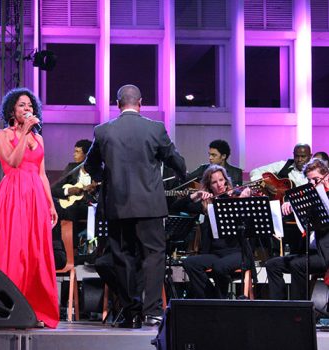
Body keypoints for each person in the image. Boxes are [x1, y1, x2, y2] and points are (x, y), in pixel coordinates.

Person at [84, 84, 186, 328]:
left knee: (122, 257)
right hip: (149, 204)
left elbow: (90, 166)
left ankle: (132, 314)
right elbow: (175, 161)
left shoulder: (103, 131)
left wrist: (106, 179)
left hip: (117, 206)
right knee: (153, 256)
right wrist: (180, 172)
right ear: (141, 102)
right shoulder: (155, 129)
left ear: (118, 104)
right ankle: (152, 312)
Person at [0, 87, 59, 329]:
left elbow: (42, 174)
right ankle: (6, 308)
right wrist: (22, 133)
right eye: (22, 105)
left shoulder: (39, 138)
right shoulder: (2, 134)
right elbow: (12, 161)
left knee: (35, 252)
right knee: (15, 248)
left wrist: (50, 204)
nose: (27, 109)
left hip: (35, 196)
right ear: (12, 110)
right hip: (13, 194)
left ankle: (35, 310)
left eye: (30, 105)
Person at [174, 165, 251, 299]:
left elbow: (256, 206)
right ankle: (213, 298)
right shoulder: (207, 204)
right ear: (209, 186)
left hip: (238, 253)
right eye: (214, 182)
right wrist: (196, 195)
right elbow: (176, 207)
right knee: (189, 263)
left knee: (219, 267)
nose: (219, 185)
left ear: (226, 181)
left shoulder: (236, 198)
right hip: (216, 254)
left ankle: (218, 302)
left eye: (221, 180)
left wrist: (247, 196)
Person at [266, 158, 329, 300]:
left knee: (297, 264)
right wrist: (289, 204)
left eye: (316, 179)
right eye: (310, 181)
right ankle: (279, 308)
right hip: (310, 252)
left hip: (325, 254)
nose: (313, 184)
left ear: (327, 176)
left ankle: (298, 311)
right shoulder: (310, 196)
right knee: (272, 265)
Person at [51, 139, 98, 265]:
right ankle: (66, 251)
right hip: (71, 205)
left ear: (86, 155)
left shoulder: (97, 170)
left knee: (73, 210)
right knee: (61, 209)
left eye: (77, 152)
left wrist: (94, 190)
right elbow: (54, 189)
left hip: (90, 206)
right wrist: (70, 191)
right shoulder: (72, 168)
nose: (74, 154)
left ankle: (84, 252)